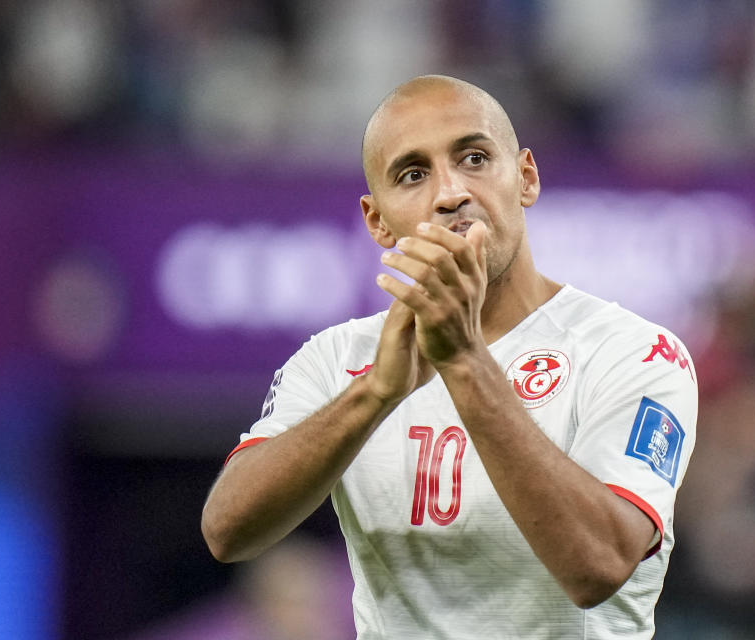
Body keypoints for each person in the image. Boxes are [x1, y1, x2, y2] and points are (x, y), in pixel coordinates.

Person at [201, 74, 698, 639]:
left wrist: (464, 360)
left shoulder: (631, 351)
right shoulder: (337, 359)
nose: (450, 192)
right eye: (413, 174)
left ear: (526, 178)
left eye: (475, 158)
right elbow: (227, 532)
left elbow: (600, 566)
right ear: (377, 221)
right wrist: (375, 392)